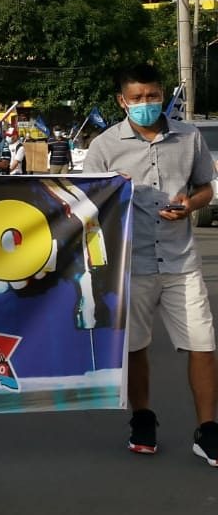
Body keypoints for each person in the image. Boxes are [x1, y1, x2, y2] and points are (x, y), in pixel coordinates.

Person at [83, 63, 218, 466]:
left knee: (203, 345)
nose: (146, 104)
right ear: (121, 101)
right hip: (131, 264)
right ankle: (143, 418)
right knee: (136, 347)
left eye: (153, 96)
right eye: (137, 98)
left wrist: (189, 205)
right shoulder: (104, 147)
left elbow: (205, 188)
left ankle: (208, 430)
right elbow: (88, 205)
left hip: (181, 263)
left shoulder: (189, 137)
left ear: (163, 95)